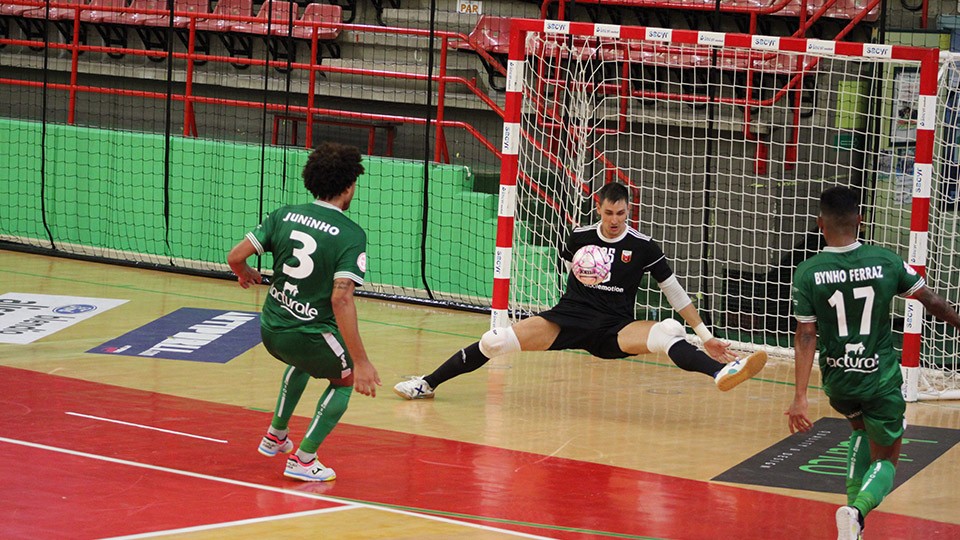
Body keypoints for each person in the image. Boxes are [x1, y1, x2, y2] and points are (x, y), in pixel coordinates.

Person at [394, 181, 767, 401]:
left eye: (621, 213)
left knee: (668, 331)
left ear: (628, 210)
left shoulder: (644, 246)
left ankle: (720, 370)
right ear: (599, 208)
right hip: (568, 318)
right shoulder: (579, 238)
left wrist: (704, 334)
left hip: (615, 328)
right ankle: (426, 383)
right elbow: (569, 269)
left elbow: (674, 292)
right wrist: (587, 280)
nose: (615, 220)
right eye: (609, 213)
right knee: (494, 340)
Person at [786, 186, 960, 540]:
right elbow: (932, 302)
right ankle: (857, 509)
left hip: (839, 383)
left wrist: (800, 396)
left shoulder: (808, 272)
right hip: (878, 380)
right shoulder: (885, 261)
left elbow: (806, 334)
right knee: (888, 460)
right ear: (860, 220)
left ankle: (853, 531)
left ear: (820, 224)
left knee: (860, 431)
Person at [227, 142, 380, 482]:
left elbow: (235, 256)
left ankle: (275, 435)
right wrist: (362, 362)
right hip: (308, 335)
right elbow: (342, 298)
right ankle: (304, 459)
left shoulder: (284, 214)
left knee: (306, 362)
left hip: (270, 330)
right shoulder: (351, 234)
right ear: (349, 186)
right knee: (345, 380)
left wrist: (244, 273)